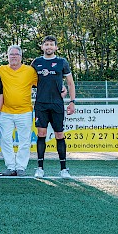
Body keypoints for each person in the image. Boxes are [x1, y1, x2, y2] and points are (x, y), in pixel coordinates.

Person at [31, 35, 76, 179]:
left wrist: (72, 101)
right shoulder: (36, 62)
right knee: (41, 134)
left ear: (56, 47)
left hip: (57, 104)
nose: (49, 47)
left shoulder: (61, 62)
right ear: (42, 47)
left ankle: (63, 169)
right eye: (46, 44)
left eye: (51, 44)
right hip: (41, 105)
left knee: (59, 134)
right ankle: (39, 168)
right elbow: (29, 82)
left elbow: (70, 83)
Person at [0, 45, 37, 177]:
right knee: (5, 139)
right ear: (7, 56)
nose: (13, 57)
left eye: (16, 54)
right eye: (11, 54)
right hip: (5, 112)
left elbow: (45, 82)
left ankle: (21, 167)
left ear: (21, 57)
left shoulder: (30, 71)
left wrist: (61, 88)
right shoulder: (0, 70)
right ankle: (11, 167)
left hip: (25, 112)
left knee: (25, 140)